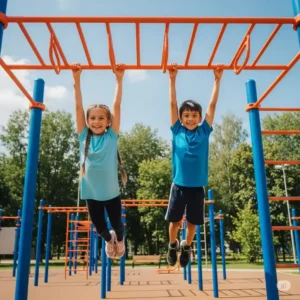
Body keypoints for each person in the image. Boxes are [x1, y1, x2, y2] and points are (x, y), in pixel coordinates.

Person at [165, 63, 223, 267]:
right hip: (179, 185)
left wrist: (217, 79)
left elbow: (212, 106)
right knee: (174, 223)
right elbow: (173, 104)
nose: (190, 118)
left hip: (197, 187)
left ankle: (187, 247)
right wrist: (172, 79)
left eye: (194, 115)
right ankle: (172, 245)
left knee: (192, 224)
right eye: (186, 115)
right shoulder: (177, 130)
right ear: (181, 118)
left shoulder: (204, 131)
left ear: (199, 118)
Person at [72, 63, 127, 259]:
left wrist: (119, 79)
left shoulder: (111, 137)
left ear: (108, 121)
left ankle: (119, 240)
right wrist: (77, 80)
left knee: (117, 225)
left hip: (111, 192)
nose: (96, 121)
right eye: (92, 118)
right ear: (87, 122)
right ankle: (108, 239)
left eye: (101, 118)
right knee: (100, 227)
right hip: (91, 192)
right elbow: (78, 106)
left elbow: (117, 106)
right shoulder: (83, 137)